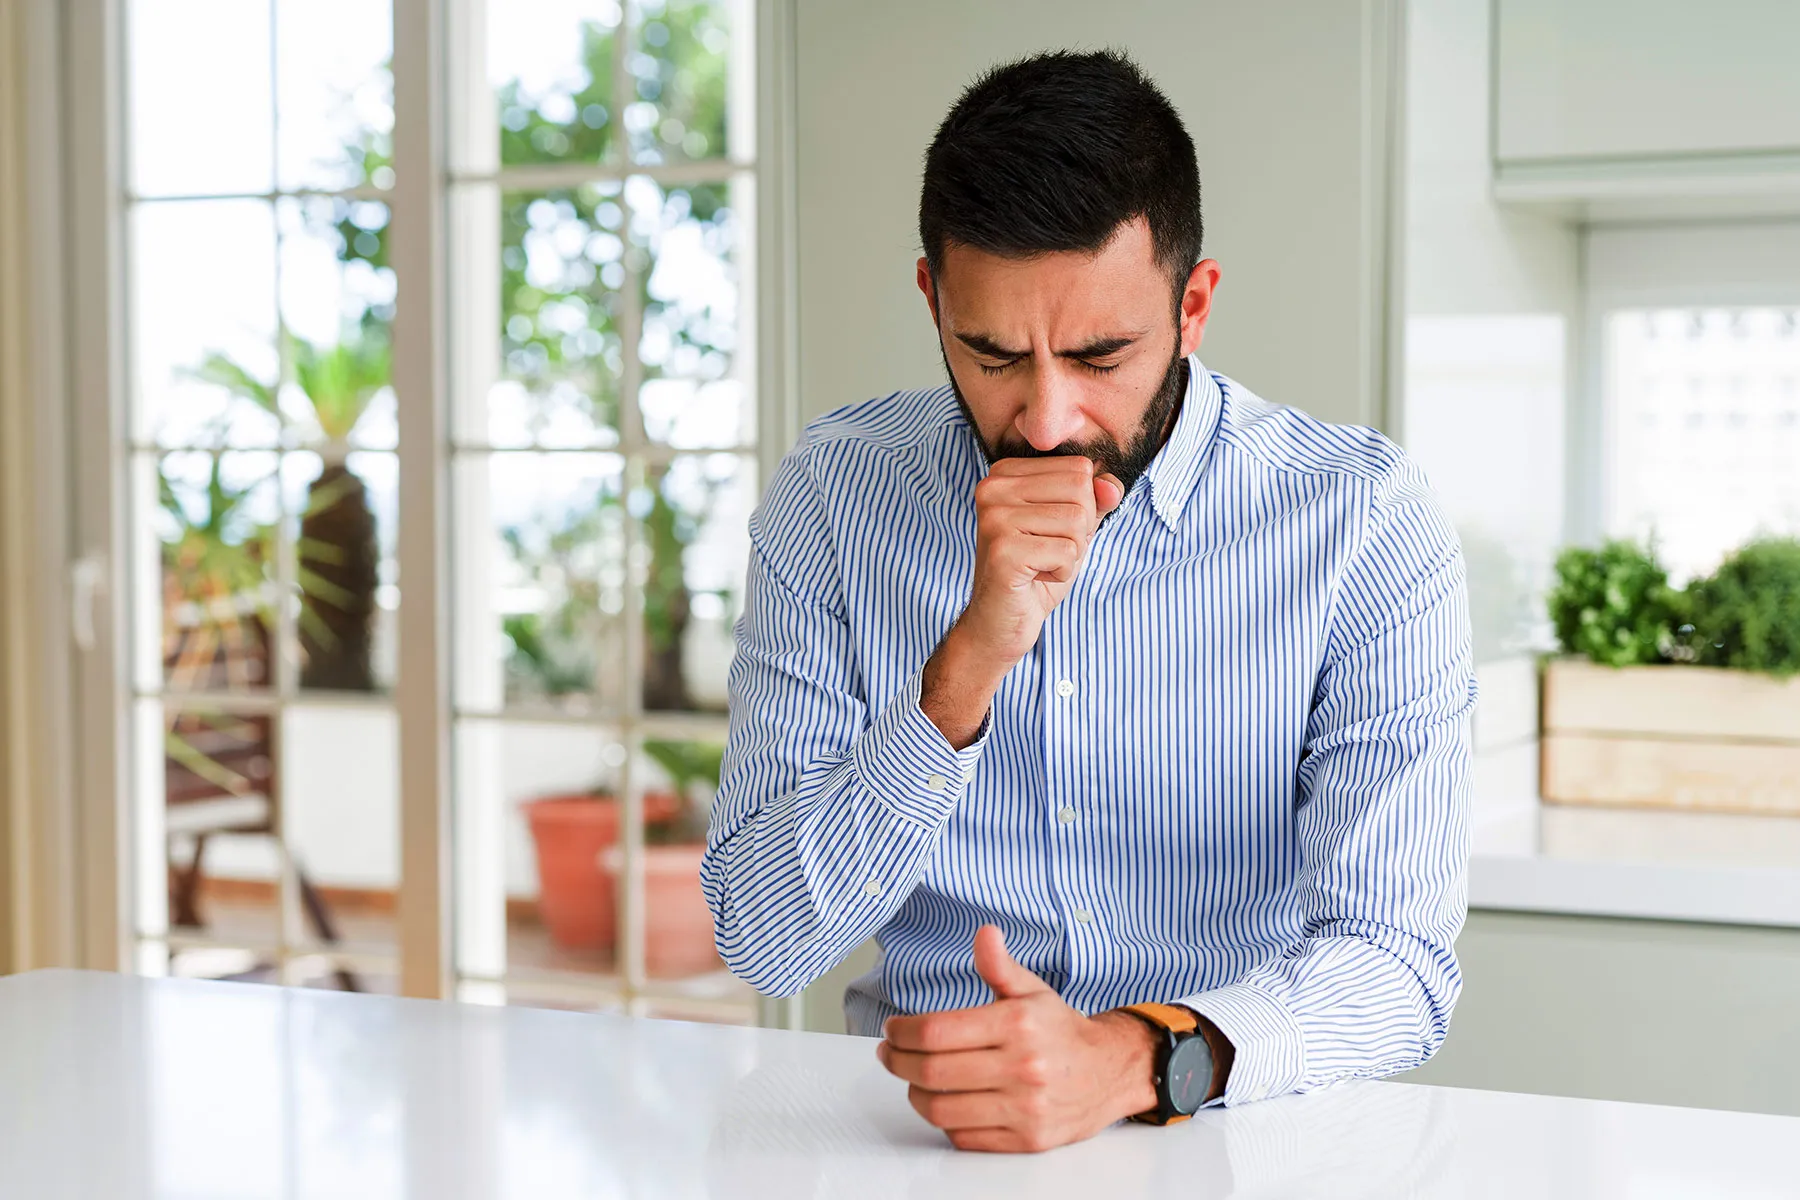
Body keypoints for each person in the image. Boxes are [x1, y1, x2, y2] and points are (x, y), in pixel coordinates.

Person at [701, 48, 1476, 1154]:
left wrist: (1132, 1060)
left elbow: (1398, 964)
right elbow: (764, 938)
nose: (1050, 418)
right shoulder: (835, 495)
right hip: (917, 1143)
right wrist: (964, 672)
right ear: (932, 299)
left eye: (1101, 355)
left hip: (1234, 1129)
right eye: (992, 354)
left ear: (1193, 305)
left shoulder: (1361, 521)